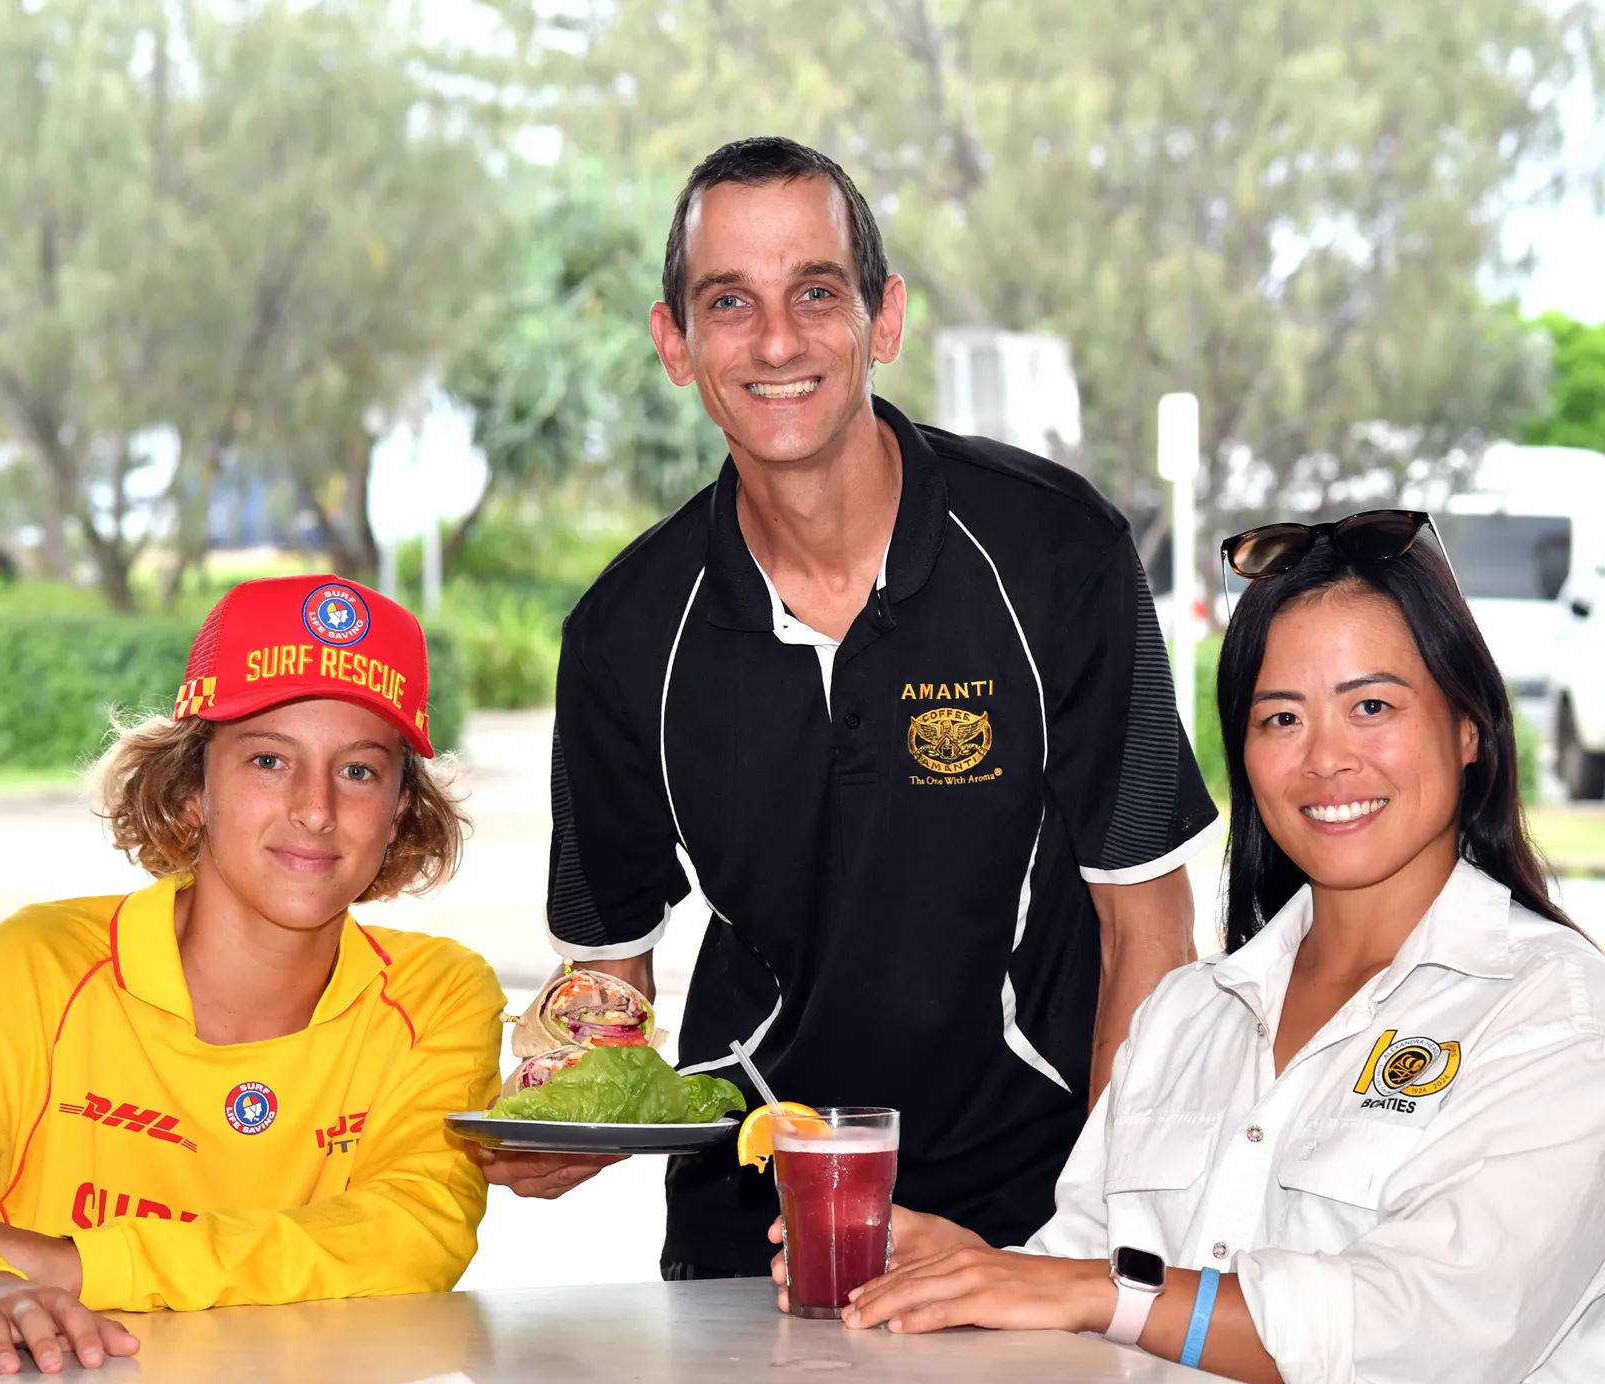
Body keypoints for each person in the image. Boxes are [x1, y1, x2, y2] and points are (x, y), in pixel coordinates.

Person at [472, 134, 1221, 1278]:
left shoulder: (1059, 552)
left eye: (816, 292)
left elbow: (1150, 931)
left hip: (1029, 1204)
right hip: (755, 1206)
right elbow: (609, 978)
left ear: (885, 318)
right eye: (730, 301)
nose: (777, 341)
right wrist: (567, 1114)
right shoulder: (623, 635)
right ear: (675, 343)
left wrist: (1096, 1249)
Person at [814, 512, 1605, 1382]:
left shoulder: (1555, 1013)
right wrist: (973, 1272)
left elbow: (1434, 1327)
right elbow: (1082, 1287)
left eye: (1372, 707)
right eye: (1281, 719)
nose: (1325, 759)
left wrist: (1095, 1292)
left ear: (1470, 729)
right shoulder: (1187, 1014)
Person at [0, 576, 505, 1375]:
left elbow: (413, 1236)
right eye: (269, 760)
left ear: (402, 810)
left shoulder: (440, 995)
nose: (314, 808)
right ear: (192, 789)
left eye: (360, 772)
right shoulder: (38, 966)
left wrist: (72, 1265)